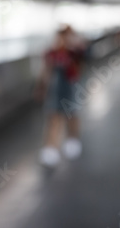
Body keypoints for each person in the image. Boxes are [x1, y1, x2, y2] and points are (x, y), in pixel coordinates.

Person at [35, 26, 84, 167]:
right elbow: (46, 70)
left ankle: (72, 140)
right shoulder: (52, 53)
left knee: (72, 115)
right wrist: (41, 87)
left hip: (70, 88)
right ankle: (51, 147)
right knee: (54, 117)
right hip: (55, 89)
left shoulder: (75, 52)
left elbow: (81, 64)